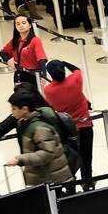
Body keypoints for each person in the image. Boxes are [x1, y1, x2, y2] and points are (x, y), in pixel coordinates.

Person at [0, 86, 73, 190]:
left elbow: (47, 154)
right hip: (44, 176)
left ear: (24, 109)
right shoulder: (26, 122)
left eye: (14, 108)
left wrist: (19, 159)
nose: (12, 112)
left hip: (50, 178)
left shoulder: (39, 128)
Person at [38, 61, 92, 191]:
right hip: (85, 126)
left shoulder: (49, 90)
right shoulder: (75, 80)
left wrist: (45, 85)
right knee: (86, 157)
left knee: (70, 158)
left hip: (67, 130)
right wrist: (63, 62)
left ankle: (70, 187)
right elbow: (77, 69)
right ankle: (87, 183)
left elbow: (49, 105)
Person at [0, 13, 46, 89]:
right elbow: (2, 53)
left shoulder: (35, 40)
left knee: (34, 99)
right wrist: (8, 60)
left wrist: (44, 75)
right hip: (19, 75)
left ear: (30, 25)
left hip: (33, 75)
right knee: (20, 99)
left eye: (24, 23)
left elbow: (41, 59)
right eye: (18, 24)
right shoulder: (15, 41)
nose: (21, 25)